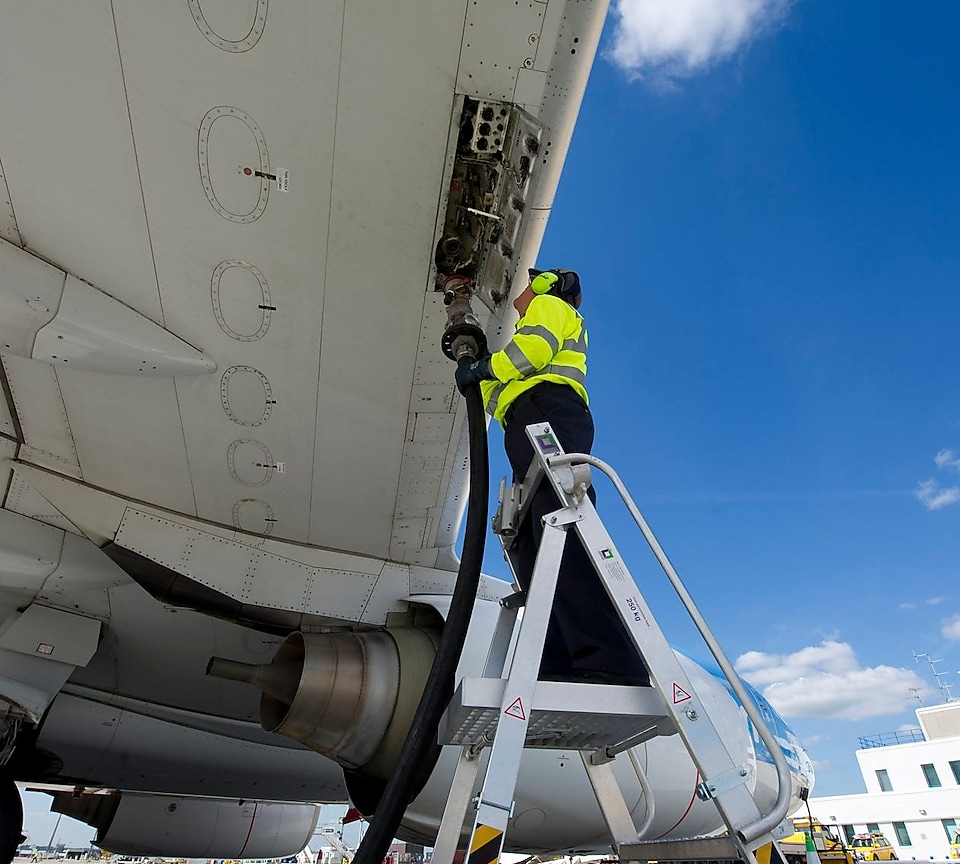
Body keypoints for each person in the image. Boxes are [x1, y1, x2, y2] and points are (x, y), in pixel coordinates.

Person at [456, 268, 649, 686]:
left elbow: (530, 355)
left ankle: (611, 660)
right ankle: (560, 663)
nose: (521, 294)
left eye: (528, 285)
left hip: (549, 412)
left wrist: (486, 366)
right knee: (534, 542)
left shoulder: (550, 307)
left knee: (563, 528)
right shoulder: (530, 332)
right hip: (527, 417)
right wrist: (479, 379)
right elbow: (502, 394)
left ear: (546, 285)